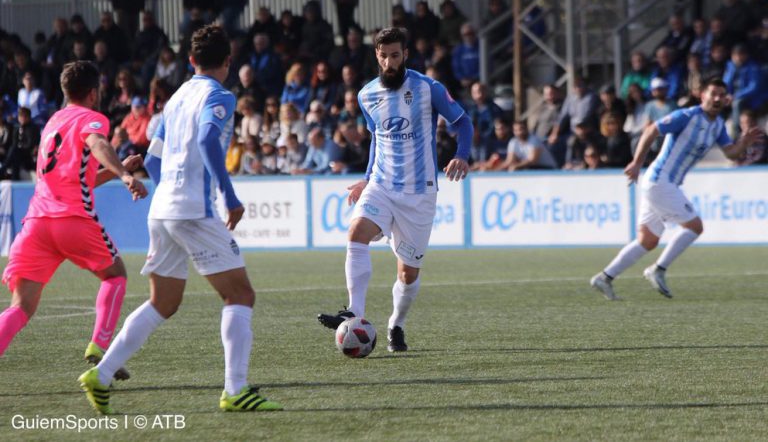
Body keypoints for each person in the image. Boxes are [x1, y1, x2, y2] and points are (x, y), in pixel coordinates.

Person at [78, 25, 283, 414]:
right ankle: (235, 390)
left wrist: (170, 190)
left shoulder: (174, 99)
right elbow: (207, 140)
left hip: (162, 209)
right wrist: (229, 195)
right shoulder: (220, 94)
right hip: (192, 209)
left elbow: (152, 159)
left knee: (164, 301)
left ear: (190, 61)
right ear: (228, 61)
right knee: (239, 294)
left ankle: (101, 375)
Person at [316, 27, 473, 352]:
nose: (390, 62)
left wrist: (461, 156)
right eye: (384, 55)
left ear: (405, 55)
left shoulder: (428, 88)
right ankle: (354, 311)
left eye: (396, 55)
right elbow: (377, 139)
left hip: (419, 194)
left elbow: (463, 122)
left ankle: (395, 324)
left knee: (408, 273)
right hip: (382, 185)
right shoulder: (366, 95)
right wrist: (367, 177)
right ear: (377, 55)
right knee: (356, 231)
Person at [0, 61, 147, 380]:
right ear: (94, 93)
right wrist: (124, 175)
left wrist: (117, 167)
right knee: (115, 275)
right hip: (73, 220)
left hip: (36, 224)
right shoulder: (92, 119)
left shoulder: (53, 121)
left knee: (20, 307)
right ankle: (100, 347)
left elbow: (80, 179)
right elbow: (98, 144)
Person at [590, 79, 761, 301]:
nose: (717, 98)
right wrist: (637, 162)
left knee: (648, 240)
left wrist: (743, 144)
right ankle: (658, 269)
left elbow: (730, 153)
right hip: (660, 179)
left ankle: (604, 277)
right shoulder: (687, 116)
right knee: (695, 226)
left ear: (726, 99)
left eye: (721, 95)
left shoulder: (718, 124)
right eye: (713, 94)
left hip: (663, 183)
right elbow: (652, 130)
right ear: (703, 96)